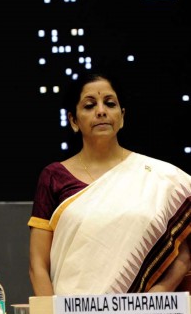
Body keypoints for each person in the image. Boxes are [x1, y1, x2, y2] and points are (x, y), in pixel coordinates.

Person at [28, 72, 191, 296]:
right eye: (89, 105)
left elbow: (185, 251)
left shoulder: (162, 177)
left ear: (122, 117)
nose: (101, 111)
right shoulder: (54, 176)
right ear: (73, 121)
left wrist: (162, 290)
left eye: (110, 103)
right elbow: (38, 265)